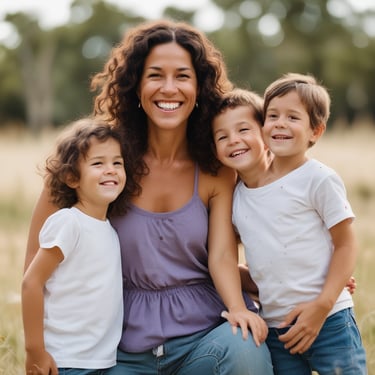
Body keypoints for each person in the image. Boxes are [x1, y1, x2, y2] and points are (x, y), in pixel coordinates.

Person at [24, 20, 273, 375]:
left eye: (183, 76)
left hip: (203, 341)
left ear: (200, 86)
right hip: (115, 352)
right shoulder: (99, 160)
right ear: (135, 85)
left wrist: (302, 276)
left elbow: (221, 258)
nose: (169, 88)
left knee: (246, 348)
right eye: (155, 75)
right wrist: (37, 348)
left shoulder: (217, 168)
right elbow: (36, 263)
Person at [212, 77, 367, 374]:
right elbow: (259, 261)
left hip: (329, 320)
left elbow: (346, 244)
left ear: (315, 131)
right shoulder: (236, 199)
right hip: (276, 329)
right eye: (273, 116)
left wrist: (325, 299)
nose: (280, 124)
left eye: (292, 117)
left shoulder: (317, 179)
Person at [22, 118, 127, 375]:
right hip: (65, 361)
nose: (111, 169)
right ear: (72, 178)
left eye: (117, 163)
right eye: (98, 163)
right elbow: (31, 283)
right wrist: (35, 350)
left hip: (101, 362)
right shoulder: (69, 223)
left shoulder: (110, 229)